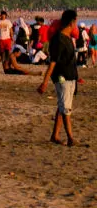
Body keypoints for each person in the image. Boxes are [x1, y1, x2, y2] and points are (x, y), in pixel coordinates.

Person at [38, 9, 79, 147]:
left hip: (70, 76)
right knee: (65, 107)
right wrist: (44, 82)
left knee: (63, 105)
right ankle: (71, 138)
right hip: (62, 77)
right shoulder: (59, 39)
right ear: (72, 22)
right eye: (76, 21)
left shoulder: (67, 38)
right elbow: (53, 62)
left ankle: (55, 135)